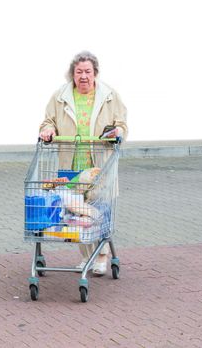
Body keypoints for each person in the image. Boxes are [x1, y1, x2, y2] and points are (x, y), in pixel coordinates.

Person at [39, 51, 128, 275]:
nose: (84, 76)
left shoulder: (109, 95)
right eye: (79, 72)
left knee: (98, 210)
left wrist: (117, 131)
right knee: (76, 213)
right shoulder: (60, 96)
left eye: (88, 71)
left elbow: (122, 124)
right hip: (71, 164)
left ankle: (101, 256)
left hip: (99, 164)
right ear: (72, 74)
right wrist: (47, 130)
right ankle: (87, 256)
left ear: (95, 73)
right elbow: (48, 121)